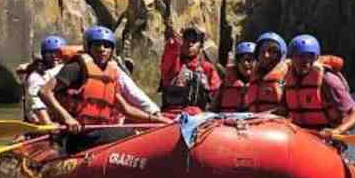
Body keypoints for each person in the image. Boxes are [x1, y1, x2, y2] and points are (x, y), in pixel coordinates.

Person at [39, 26, 170, 152]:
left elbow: (126, 110)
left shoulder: (111, 74)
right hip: (76, 135)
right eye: (97, 45)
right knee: (131, 134)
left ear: (112, 50)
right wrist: (67, 118)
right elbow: (45, 92)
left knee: (135, 131)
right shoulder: (76, 68)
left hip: (97, 131)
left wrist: (160, 121)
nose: (102, 49)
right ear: (88, 47)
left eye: (107, 46)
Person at [283, 35, 355, 139]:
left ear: (316, 58)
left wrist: (336, 131)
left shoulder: (328, 80)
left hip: (326, 138)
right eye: (300, 56)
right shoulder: (287, 79)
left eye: (310, 56)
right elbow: (282, 112)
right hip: (300, 137)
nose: (305, 61)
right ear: (292, 57)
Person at [159, 24, 222, 115]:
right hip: (171, 116)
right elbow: (170, 51)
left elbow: (217, 94)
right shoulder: (172, 64)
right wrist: (173, 40)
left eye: (194, 41)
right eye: (186, 40)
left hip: (198, 117)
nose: (190, 44)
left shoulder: (207, 68)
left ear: (200, 46)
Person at [22, 35, 67, 125]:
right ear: (43, 55)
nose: (54, 56)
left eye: (58, 52)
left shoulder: (70, 70)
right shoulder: (36, 76)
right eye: (49, 53)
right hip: (40, 119)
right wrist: (48, 123)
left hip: (61, 116)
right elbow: (35, 101)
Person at [245, 32, 288, 113]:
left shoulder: (289, 77)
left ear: (281, 54)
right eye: (262, 51)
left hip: (280, 123)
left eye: (272, 51)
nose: (266, 55)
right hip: (254, 122)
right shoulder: (253, 77)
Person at [210, 41, 256, 113]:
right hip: (227, 122)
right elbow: (212, 110)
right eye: (242, 60)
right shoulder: (225, 85)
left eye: (250, 60)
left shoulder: (261, 84)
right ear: (237, 63)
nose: (245, 63)